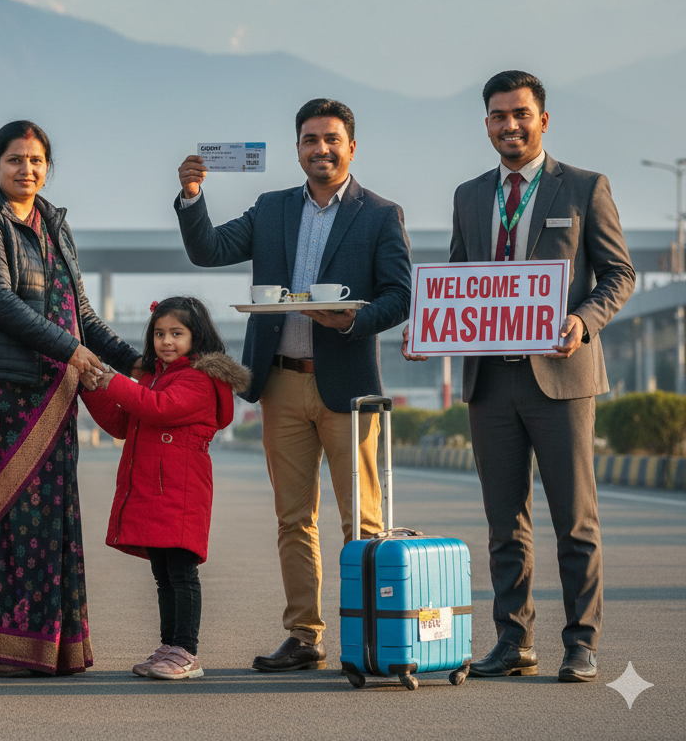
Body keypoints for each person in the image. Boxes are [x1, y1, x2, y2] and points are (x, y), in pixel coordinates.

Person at [403, 70, 635, 683]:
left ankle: (581, 642)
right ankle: (514, 639)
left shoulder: (585, 188)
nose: (510, 125)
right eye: (499, 116)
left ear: (543, 120)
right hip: (489, 380)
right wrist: (431, 326)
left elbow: (619, 274)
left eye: (521, 114)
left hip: (561, 377)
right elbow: (458, 274)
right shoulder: (469, 195)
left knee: (574, 518)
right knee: (504, 521)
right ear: (487, 125)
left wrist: (583, 322)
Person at [176, 98, 411, 672]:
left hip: (349, 388)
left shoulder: (380, 214)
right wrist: (192, 197)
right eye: (310, 140)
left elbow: (400, 296)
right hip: (280, 385)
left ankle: (372, 637)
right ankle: (305, 635)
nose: (321, 149)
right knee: (293, 519)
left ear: (351, 146)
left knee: (363, 521)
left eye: (332, 139)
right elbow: (208, 251)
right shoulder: (272, 209)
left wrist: (353, 319)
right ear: (297, 149)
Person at [0, 120, 142, 677]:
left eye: (36, 161)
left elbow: (80, 313)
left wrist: (137, 361)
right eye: (14, 160)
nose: (26, 170)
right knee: (5, 519)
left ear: (47, 168)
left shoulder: (55, 225)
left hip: (55, 395)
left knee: (52, 520)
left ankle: (52, 646)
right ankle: (0, 647)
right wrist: (72, 353)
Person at [78, 296, 249, 681]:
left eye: (176, 333)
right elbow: (123, 423)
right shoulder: (153, 376)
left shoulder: (199, 379)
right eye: (159, 333)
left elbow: (158, 408)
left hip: (181, 491)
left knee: (182, 573)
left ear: (196, 337)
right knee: (164, 573)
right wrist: (93, 388)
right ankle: (169, 646)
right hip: (157, 490)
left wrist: (114, 379)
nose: (166, 341)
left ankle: (187, 652)